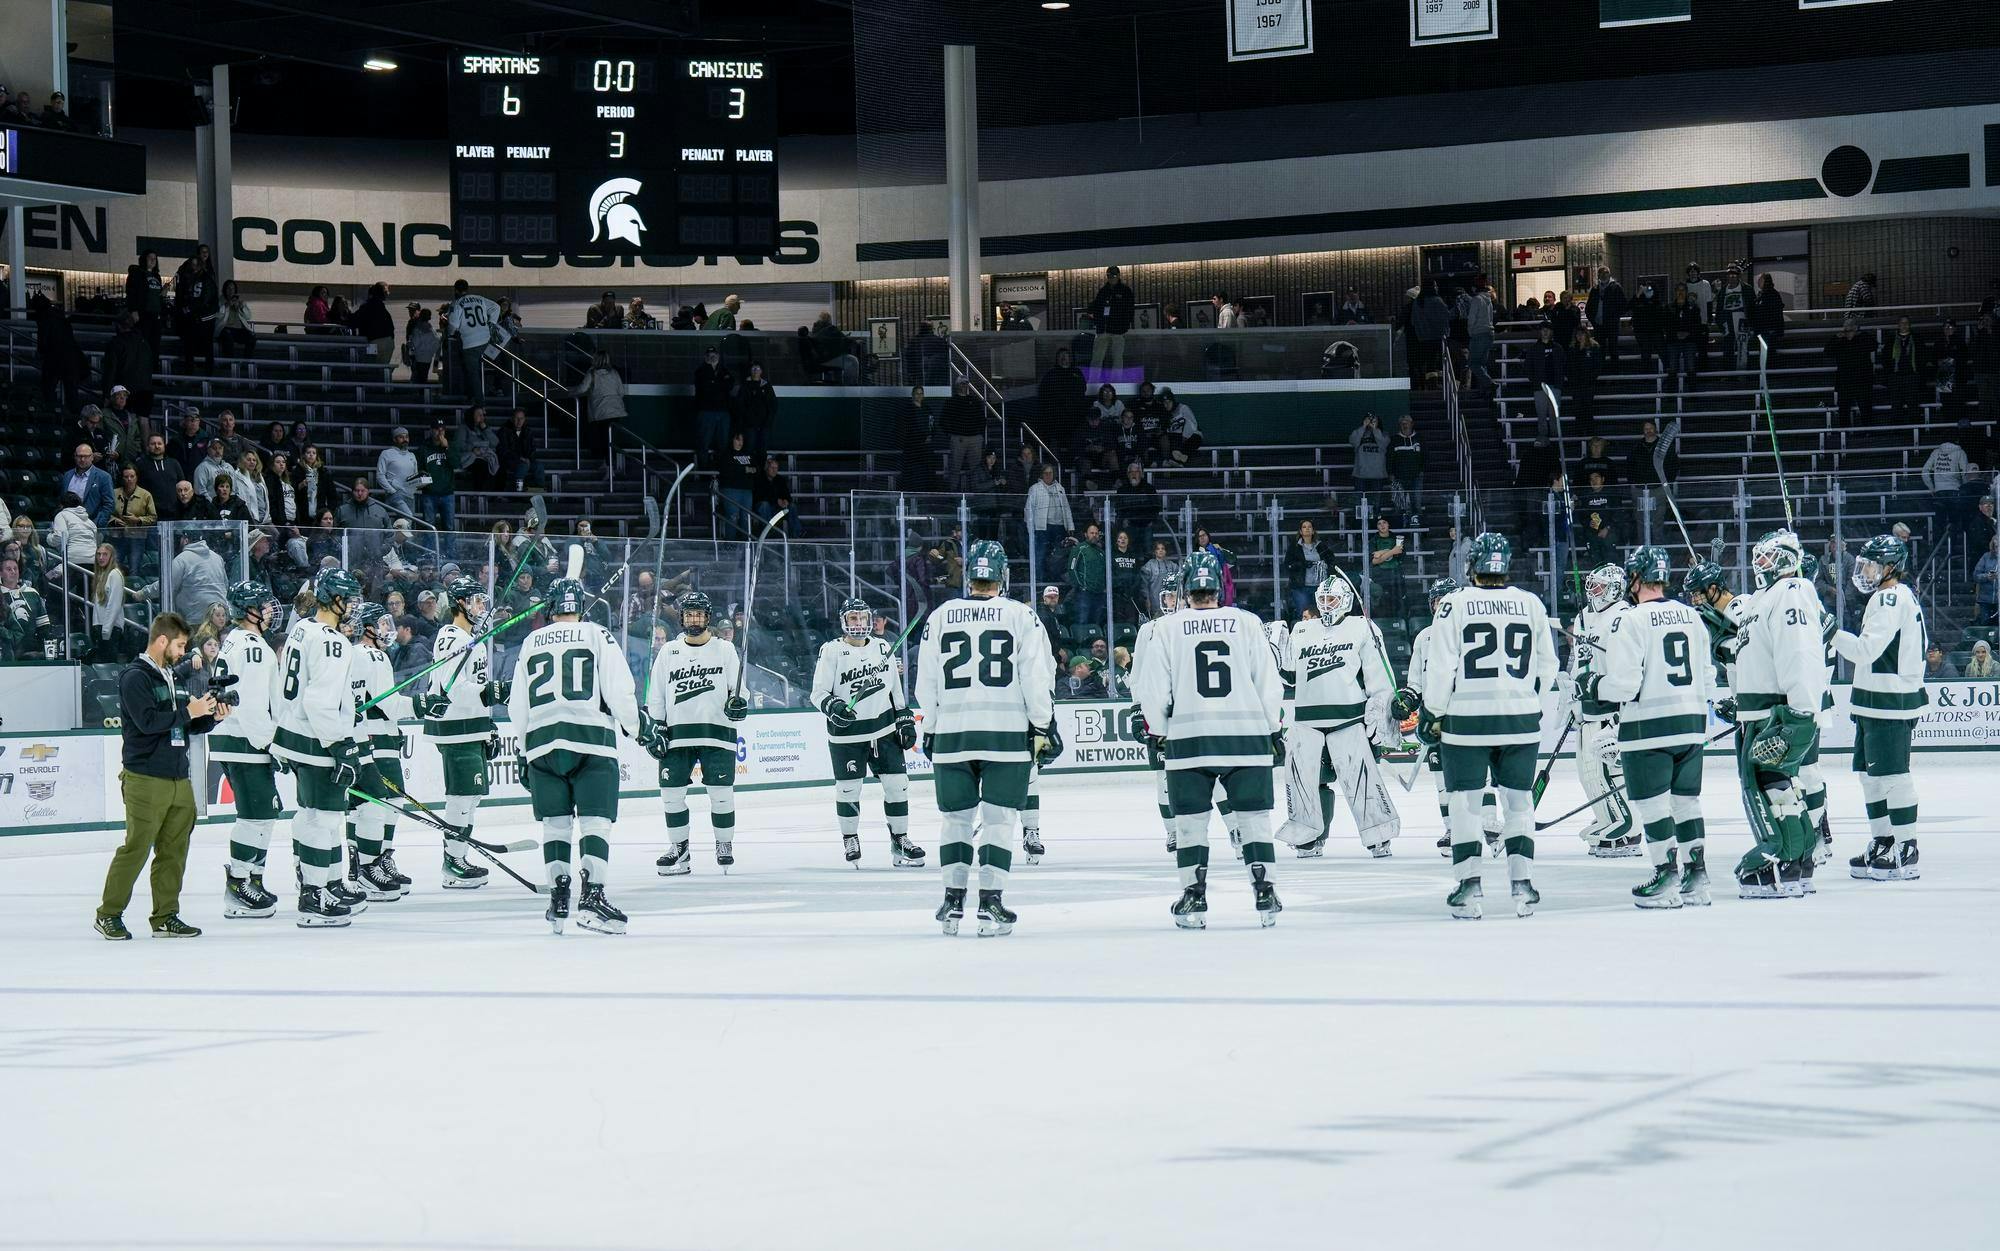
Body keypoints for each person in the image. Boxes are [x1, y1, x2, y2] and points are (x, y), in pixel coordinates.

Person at [1131, 549, 1283, 929]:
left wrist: (1159, 731)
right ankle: (1265, 892)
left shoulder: (1164, 629)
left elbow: (1152, 690)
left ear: (1185, 588)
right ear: (1219, 587)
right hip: (1246, 737)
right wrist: (1272, 729)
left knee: (1190, 823)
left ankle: (1193, 897)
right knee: (1254, 820)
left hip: (1190, 738)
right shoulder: (1246, 622)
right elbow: (1268, 681)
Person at [915, 540, 1056, 936]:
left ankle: (952, 901)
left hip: (953, 732)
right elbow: (1036, 675)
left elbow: (926, 680)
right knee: (998, 821)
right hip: (1005, 732)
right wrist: (1041, 724)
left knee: (955, 820)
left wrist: (930, 727)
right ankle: (991, 902)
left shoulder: (942, 614)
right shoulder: (1020, 615)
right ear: (1001, 576)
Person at [1419, 532, 1558, 919]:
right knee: (1518, 801)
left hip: (1467, 722)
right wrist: (1525, 697)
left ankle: (1469, 886)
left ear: (1472, 565)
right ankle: (1523, 884)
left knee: (1465, 803)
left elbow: (1443, 666)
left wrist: (1433, 712)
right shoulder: (1529, 603)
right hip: (1520, 719)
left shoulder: (1453, 604)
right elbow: (1548, 665)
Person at [1577, 547, 1717, 907]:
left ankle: (1666, 877)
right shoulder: (1691, 615)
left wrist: (1594, 685)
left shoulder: (1632, 621)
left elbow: (1623, 685)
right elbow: (1707, 675)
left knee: (1654, 807)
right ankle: (1697, 877)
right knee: (1687, 803)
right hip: (1690, 723)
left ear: (1635, 579)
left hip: (1649, 727)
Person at [506, 577, 643, 933]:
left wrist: (523, 751)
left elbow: (517, 705)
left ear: (551, 609)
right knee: (595, 821)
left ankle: (559, 899)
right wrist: (639, 727)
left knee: (555, 824)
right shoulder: (597, 634)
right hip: (590, 740)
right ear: (580, 608)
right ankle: (592, 899)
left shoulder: (530, 641)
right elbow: (619, 689)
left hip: (542, 745)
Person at [94, 612, 227, 939]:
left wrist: (212, 718)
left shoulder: (173, 677)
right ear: (162, 641)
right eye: (180, 645)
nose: (184, 652)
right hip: (145, 778)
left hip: (179, 777)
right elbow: (148, 722)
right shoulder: (134, 677)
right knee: (136, 848)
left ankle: (166, 915)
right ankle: (108, 913)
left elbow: (186, 724)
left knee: (174, 850)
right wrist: (188, 711)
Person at [1727, 530, 1831, 899]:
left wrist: (1800, 714)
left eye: (1769, 557)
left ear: (1789, 559)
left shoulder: (1792, 592)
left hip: (1776, 713)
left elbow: (1798, 654)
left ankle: (1779, 865)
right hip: (1758, 711)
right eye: (1759, 556)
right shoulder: (1763, 598)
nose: (1760, 564)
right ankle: (1797, 863)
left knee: (1770, 788)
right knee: (1782, 789)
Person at [270, 569, 373, 925]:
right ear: (334, 599)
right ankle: (314, 896)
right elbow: (319, 701)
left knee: (313, 813)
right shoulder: (334, 641)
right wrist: (342, 744)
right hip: (317, 739)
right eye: (350, 598)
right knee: (323, 817)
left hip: (295, 734)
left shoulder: (301, 628)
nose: (355, 605)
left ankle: (327, 881)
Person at [1277, 574, 1400, 858]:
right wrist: (1277, 655)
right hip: (1307, 721)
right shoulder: (1302, 630)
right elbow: (1291, 677)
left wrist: (1380, 706)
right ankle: (1308, 836)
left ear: (1345, 601)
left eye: (1331, 599)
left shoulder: (1362, 628)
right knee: (1306, 782)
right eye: (1321, 600)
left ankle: (1378, 834)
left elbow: (1379, 676)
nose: (1326, 605)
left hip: (1349, 719)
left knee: (1361, 780)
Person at [1831, 535, 1927, 883]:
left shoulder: (1890, 597)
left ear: (1890, 567)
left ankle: (1907, 847)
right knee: (1869, 776)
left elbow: (1864, 651)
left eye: (1872, 564)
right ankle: (1884, 840)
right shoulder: (1888, 596)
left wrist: (1832, 634)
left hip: (1890, 701)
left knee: (1893, 776)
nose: (1865, 570)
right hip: (1875, 700)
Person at [811, 596, 927, 869]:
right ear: (843, 622)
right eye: (853, 618)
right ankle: (850, 837)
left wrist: (904, 717)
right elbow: (818, 693)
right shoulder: (831, 651)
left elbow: (895, 689)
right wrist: (834, 706)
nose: (859, 623)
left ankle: (900, 840)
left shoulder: (883, 647)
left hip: (884, 730)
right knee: (849, 788)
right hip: (848, 736)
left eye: (863, 618)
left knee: (897, 786)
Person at [646, 590, 747, 876]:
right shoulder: (669, 652)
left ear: (707, 617)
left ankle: (724, 844)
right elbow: (657, 696)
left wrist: (739, 702)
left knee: (722, 794)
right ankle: (680, 849)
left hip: (717, 732)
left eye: (698, 614)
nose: (693, 618)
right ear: (681, 617)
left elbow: (739, 691)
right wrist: (656, 727)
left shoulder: (725, 650)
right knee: (671, 795)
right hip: (677, 735)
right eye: (689, 613)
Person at [412, 575, 503, 888]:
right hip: (455, 727)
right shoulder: (453, 637)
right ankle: (453, 862)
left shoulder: (468, 637)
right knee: (461, 797)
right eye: (476, 600)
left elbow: (472, 687)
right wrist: (492, 692)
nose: (481, 606)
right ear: (461, 604)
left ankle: (458, 857)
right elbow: (456, 689)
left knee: (471, 796)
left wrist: (486, 724)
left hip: (470, 726)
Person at [207, 582, 287, 918]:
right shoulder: (254, 647)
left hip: (238, 739)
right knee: (255, 815)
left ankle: (252, 878)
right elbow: (252, 707)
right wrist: (274, 743)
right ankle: (238, 886)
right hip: (246, 741)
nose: (269, 611)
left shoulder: (237, 641)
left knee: (265, 814)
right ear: (249, 610)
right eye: (263, 605)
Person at [343, 603, 415, 902]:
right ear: (368, 627)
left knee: (367, 801)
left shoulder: (358, 653)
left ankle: (368, 861)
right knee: (376, 801)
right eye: (382, 624)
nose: (389, 629)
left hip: (372, 732)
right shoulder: (371, 655)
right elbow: (390, 704)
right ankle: (368, 863)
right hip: (375, 734)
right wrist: (422, 704)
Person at [1564, 564, 1637, 857]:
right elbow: (1578, 660)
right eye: (1591, 585)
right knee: (1588, 772)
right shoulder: (1584, 618)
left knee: (1610, 769)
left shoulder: (1624, 616)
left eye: (1599, 586)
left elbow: (1627, 668)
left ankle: (1628, 828)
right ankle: (1607, 817)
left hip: (1612, 708)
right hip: (1588, 707)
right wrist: (1573, 697)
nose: (1592, 591)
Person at [445, 279, 504, 404]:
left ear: (455, 290)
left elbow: (452, 324)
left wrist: (450, 334)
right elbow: (496, 307)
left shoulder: (457, 303)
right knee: (489, 366)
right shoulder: (479, 298)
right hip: (485, 339)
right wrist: (491, 323)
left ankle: (478, 401)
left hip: (469, 342)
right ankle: (494, 388)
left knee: (472, 373)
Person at [1825, 319, 1876, 428]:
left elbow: (1874, 345)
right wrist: (1836, 337)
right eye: (1846, 328)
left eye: (1851, 327)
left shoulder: (1863, 338)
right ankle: (1844, 431)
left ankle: (1868, 430)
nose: (1848, 330)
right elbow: (1827, 352)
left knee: (1865, 407)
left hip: (1862, 380)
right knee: (1843, 408)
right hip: (1845, 381)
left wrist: (1860, 334)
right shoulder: (1840, 341)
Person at [940, 378, 986, 489]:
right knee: (955, 468)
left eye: (966, 383)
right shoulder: (951, 401)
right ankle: (953, 494)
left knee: (976, 468)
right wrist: (951, 434)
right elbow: (943, 420)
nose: (964, 386)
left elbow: (982, 418)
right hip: (958, 438)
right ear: (957, 385)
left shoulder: (975, 401)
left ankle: (976, 492)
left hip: (975, 438)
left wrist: (980, 435)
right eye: (962, 383)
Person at [1087, 266, 1135, 372]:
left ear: (1118, 276)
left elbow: (1130, 310)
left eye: (1113, 275)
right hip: (1103, 329)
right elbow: (1096, 307)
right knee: (1097, 358)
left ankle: (1116, 382)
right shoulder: (1103, 291)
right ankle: (1094, 381)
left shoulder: (1125, 291)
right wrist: (1098, 322)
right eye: (1109, 276)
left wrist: (1124, 325)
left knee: (1117, 358)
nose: (1111, 278)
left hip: (1117, 330)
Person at [1881, 317, 1926, 422]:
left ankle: (1915, 429)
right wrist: (1890, 373)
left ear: (1910, 325)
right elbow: (1885, 357)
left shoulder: (1916, 338)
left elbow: (1923, 356)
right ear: (1898, 325)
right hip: (1895, 377)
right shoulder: (1891, 339)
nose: (1904, 325)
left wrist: (1918, 372)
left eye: (1906, 323)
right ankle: (1897, 430)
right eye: (1902, 323)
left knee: (1913, 404)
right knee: (1896, 404)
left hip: (1912, 376)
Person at [1038, 347, 1087, 443]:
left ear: (1070, 358)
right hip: (1056, 418)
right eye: (1061, 356)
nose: (1064, 358)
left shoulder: (1076, 372)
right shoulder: (1051, 374)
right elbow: (1044, 394)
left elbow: (1082, 389)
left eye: (1066, 355)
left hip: (1075, 416)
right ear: (1057, 358)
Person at [1281, 520, 1328, 621]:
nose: (1307, 529)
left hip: (1319, 587)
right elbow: (1287, 564)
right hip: (1300, 587)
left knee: (1319, 614)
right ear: (1301, 531)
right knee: (1303, 614)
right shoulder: (1294, 547)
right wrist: (1302, 565)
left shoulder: (1321, 546)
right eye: (1304, 527)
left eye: (1309, 527)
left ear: (1313, 531)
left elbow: (1331, 561)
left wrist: (1324, 565)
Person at [732, 361, 776, 468]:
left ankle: (760, 472)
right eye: (753, 369)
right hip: (750, 425)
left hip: (764, 425)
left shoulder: (767, 385)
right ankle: (749, 471)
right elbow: (740, 405)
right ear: (750, 371)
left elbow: (773, 405)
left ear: (761, 371)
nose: (755, 371)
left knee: (762, 450)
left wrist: (768, 421)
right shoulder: (745, 386)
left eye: (758, 369)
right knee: (749, 449)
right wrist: (744, 421)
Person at [376, 426, 422, 517]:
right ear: (394, 439)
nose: (405, 439)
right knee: (408, 516)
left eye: (407, 437)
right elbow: (380, 475)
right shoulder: (386, 453)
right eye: (401, 437)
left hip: (410, 495)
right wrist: (392, 491)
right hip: (395, 494)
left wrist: (419, 484)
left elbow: (415, 475)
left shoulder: (411, 455)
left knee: (408, 523)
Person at [126, 251, 165, 357]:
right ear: (144, 259)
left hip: (156, 313)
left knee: (155, 343)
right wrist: (133, 310)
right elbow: (131, 292)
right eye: (150, 258)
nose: (153, 260)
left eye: (155, 258)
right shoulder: (137, 274)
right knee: (143, 341)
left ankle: (154, 366)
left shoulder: (157, 276)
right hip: (143, 313)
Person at [1348, 411, 1390, 510]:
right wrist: (1363, 427)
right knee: (1359, 505)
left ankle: (1376, 522)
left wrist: (1375, 429)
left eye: (1374, 420)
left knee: (1376, 504)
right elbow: (1352, 441)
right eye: (1369, 420)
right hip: (1360, 475)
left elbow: (1383, 443)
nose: (1371, 422)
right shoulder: (1359, 433)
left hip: (1377, 475)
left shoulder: (1384, 434)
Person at [217, 281, 256, 359]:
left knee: (252, 337)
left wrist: (241, 307)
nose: (231, 291)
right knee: (227, 337)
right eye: (228, 288)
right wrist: (227, 305)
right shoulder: (220, 301)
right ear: (224, 290)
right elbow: (218, 316)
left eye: (233, 289)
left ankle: (247, 361)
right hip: (225, 329)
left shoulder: (239, 301)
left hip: (238, 330)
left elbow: (248, 316)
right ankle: (230, 363)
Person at [403, 306, 438, 384]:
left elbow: (415, 343)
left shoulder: (417, 329)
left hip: (418, 356)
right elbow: (436, 342)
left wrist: (409, 345)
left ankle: (419, 392)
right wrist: (431, 352)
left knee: (418, 376)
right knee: (424, 376)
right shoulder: (432, 329)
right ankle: (422, 392)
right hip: (428, 357)